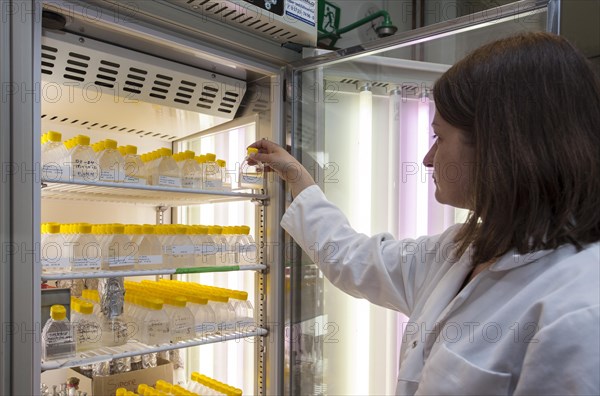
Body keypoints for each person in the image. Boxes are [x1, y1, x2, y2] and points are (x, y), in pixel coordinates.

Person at [248, 32, 600, 395]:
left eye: (440, 137)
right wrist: (297, 178)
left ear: (500, 147)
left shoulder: (580, 308)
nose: (428, 159)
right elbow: (356, 258)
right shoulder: (458, 251)